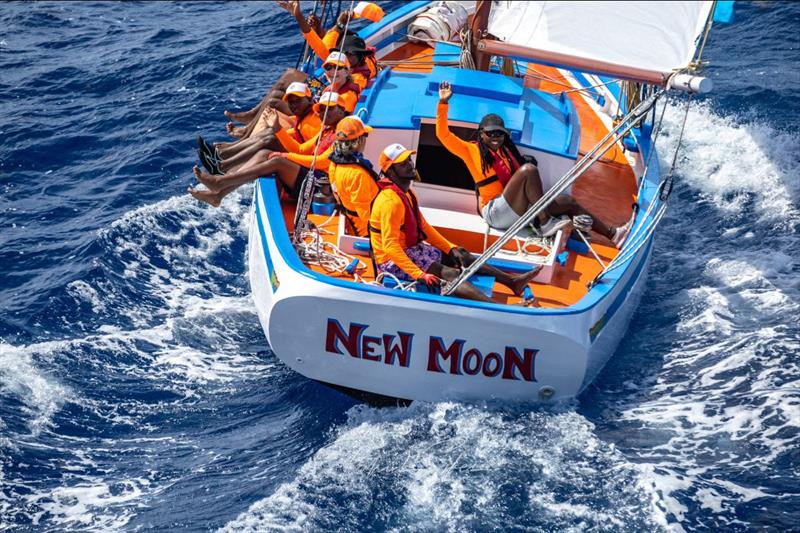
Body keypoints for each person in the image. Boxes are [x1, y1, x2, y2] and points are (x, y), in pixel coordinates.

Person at [436, 81, 631, 247]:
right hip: (495, 213)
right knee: (528, 170)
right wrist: (443, 103)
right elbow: (442, 135)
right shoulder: (470, 150)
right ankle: (543, 221)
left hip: (516, 208)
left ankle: (614, 234)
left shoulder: (507, 151)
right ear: (481, 134)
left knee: (568, 202)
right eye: (490, 133)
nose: (495, 138)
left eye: (499, 134)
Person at [369, 144, 540, 302]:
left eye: (409, 159)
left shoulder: (408, 193)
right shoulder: (390, 202)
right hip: (390, 262)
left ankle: (513, 281)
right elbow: (390, 247)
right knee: (450, 273)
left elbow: (424, 227)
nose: (410, 164)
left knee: (462, 254)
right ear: (390, 172)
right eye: (402, 163)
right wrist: (420, 275)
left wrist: (450, 247)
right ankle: (495, 306)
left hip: (411, 249)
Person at [188, 92, 347, 207]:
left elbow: (321, 162)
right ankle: (219, 193)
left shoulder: (343, 132)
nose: (322, 113)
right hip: (314, 177)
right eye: (321, 109)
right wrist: (277, 128)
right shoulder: (327, 129)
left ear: (341, 110)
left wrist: (285, 155)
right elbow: (301, 148)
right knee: (265, 153)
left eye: (329, 109)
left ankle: (220, 180)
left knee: (277, 160)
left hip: (323, 188)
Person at [197, 82, 321, 173]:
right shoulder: (304, 116)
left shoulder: (315, 121)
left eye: (298, 100)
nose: (293, 105)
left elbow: (306, 152)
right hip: (300, 153)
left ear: (310, 100)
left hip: (306, 164)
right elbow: (298, 130)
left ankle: (223, 161)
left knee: (270, 139)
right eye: (291, 102)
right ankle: (222, 157)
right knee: (269, 130)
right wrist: (279, 130)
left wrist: (279, 133)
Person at [279, 0, 379, 90]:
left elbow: (319, 43)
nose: (346, 58)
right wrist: (317, 27)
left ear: (361, 55)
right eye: (345, 54)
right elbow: (323, 43)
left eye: (351, 54)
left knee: (290, 78)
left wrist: (298, 15)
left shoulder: (359, 77)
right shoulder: (350, 60)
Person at [327, 115, 378, 237]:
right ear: (359, 141)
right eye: (365, 136)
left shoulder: (334, 165)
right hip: (366, 233)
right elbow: (366, 215)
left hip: (352, 225)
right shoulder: (358, 175)